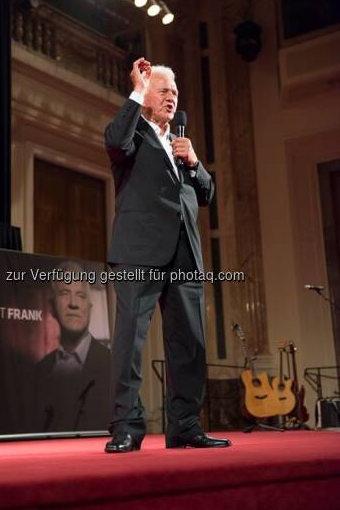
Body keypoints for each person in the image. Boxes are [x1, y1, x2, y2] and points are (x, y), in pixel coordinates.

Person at [104, 58, 231, 452]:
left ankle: (185, 426)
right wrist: (137, 90)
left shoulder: (181, 144)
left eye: (175, 93)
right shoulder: (133, 133)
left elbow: (206, 195)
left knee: (189, 343)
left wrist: (195, 163)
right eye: (163, 90)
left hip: (185, 255)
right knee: (130, 342)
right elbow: (114, 140)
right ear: (145, 96)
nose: (171, 98)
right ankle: (126, 427)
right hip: (138, 251)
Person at [35, 261, 110, 433]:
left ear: (90, 308)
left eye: (81, 296)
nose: (73, 304)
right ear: (52, 307)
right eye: (64, 293)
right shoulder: (38, 371)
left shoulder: (111, 363)